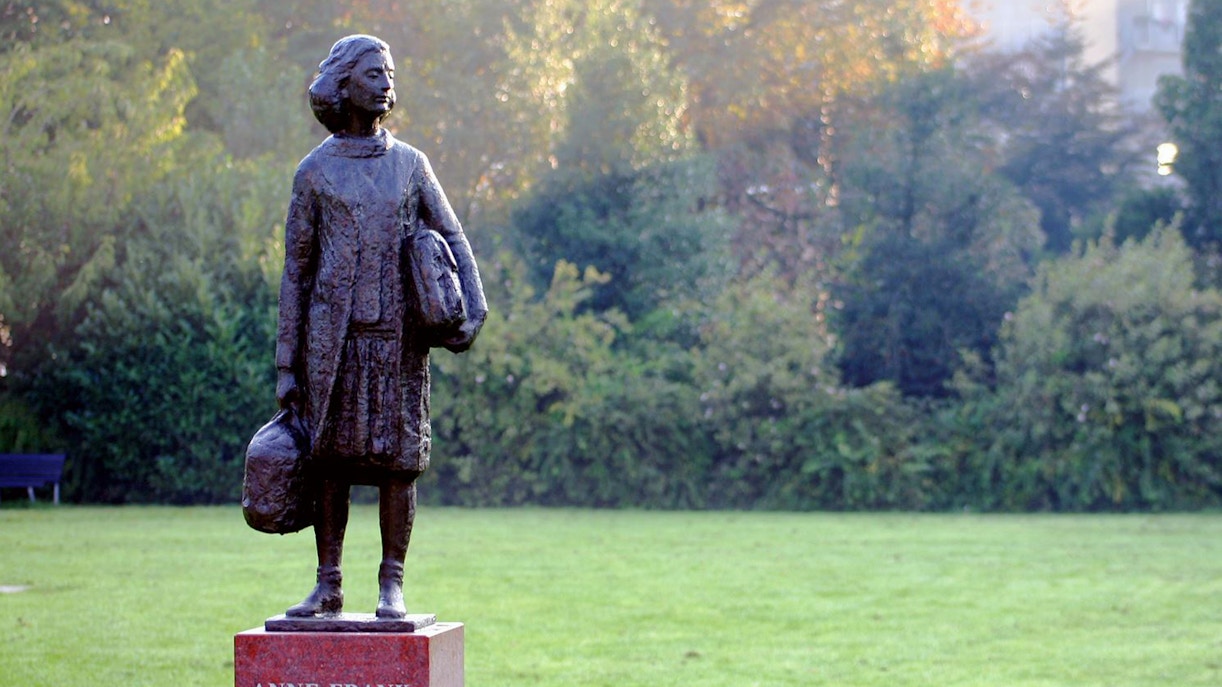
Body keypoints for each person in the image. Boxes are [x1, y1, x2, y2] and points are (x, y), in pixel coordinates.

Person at [275, 34, 486, 619]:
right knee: (329, 462)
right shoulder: (314, 173)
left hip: (398, 344)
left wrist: (473, 308)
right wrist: (287, 364)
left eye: (390, 73)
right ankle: (329, 582)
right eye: (374, 74)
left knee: (398, 463)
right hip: (330, 345)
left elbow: (456, 238)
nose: (387, 84)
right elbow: (295, 272)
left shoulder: (411, 165)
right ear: (345, 86)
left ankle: (392, 583)